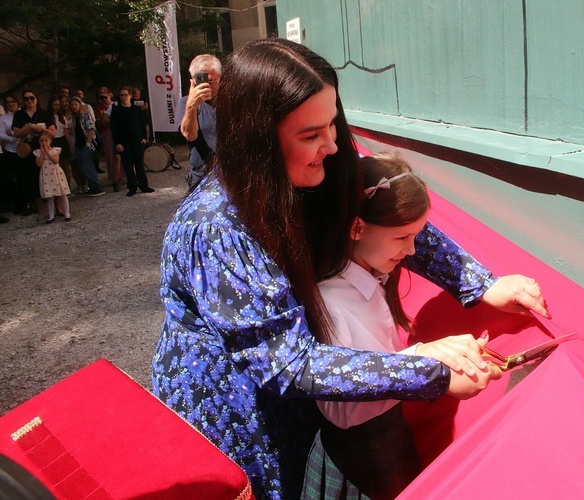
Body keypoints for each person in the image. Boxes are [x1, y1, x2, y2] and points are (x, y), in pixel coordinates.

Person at [152, 38, 546, 500]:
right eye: (310, 135)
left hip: (306, 393)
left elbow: (388, 210)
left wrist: (479, 283)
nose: (333, 145)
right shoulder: (214, 226)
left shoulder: (318, 158)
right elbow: (287, 363)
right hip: (241, 412)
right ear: (258, 138)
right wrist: (427, 370)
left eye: (333, 123)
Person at [302, 152, 453, 499]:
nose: (412, 250)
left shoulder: (376, 278)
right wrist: (425, 366)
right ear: (356, 227)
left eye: (416, 236)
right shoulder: (331, 301)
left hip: (388, 444)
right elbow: (343, 408)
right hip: (358, 465)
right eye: (402, 238)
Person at [176, 54, 220, 189]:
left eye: (212, 81)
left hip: (231, 175)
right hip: (202, 177)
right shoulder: (186, 103)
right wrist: (192, 105)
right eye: (203, 81)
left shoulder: (231, 100)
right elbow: (190, 135)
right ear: (193, 82)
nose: (209, 86)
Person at [12, 90, 55, 217]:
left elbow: (53, 132)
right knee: (33, 180)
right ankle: (41, 210)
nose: (29, 101)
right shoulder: (19, 115)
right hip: (28, 151)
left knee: (50, 176)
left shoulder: (44, 113)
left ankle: (57, 207)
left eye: (32, 98)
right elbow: (16, 133)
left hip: (44, 149)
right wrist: (29, 127)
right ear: (23, 101)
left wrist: (40, 128)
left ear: (37, 99)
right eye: (26, 99)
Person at [109, 86, 153, 196]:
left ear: (130, 96)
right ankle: (132, 187)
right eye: (121, 95)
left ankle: (144, 185)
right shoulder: (116, 110)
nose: (123, 97)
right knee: (128, 166)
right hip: (124, 143)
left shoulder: (136, 109)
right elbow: (114, 128)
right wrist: (117, 143)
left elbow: (143, 124)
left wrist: (144, 138)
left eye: (125, 95)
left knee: (139, 165)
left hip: (137, 141)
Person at [69, 96, 105, 196]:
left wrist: (88, 143)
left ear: (80, 105)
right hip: (78, 145)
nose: (74, 107)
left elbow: (90, 129)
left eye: (76, 104)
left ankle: (97, 187)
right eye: (72, 105)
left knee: (87, 166)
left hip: (86, 145)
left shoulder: (85, 116)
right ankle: (92, 186)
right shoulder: (74, 118)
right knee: (83, 167)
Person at [34, 131, 71, 223]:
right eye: (41, 141)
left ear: (50, 141)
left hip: (55, 173)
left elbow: (55, 161)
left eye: (46, 140)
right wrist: (42, 153)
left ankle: (67, 213)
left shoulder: (55, 150)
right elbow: (38, 164)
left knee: (63, 194)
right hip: (46, 174)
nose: (44, 143)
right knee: (49, 195)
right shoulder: (38, 152)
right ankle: (51, 215)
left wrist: (47, 151)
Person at [95, 87, 124, 190]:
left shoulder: (120, 105)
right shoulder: (109, 107)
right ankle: (116, 179)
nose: (103, 99)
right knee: (115, 156)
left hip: (125, 133)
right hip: (111, 133)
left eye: (105, 97)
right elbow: (102, 121)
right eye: (101, 97)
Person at [0, 95, 21, 215]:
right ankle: (17, 203)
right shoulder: (3, 118)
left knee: (24, 176)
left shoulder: (22, 115)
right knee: (13, 178)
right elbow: (1, 134)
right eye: (8, 102)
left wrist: (13, 133)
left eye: (13, 101)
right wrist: (14, 137)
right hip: (10, 150)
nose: (10, 104)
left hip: (24, 148)